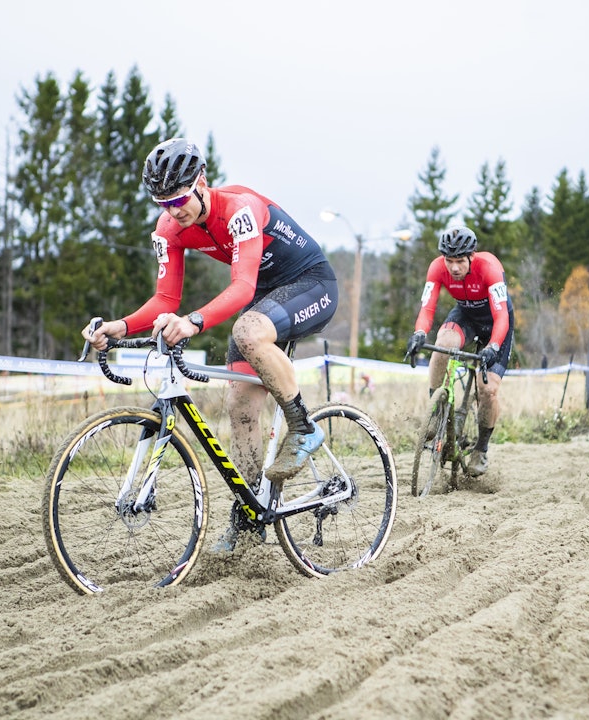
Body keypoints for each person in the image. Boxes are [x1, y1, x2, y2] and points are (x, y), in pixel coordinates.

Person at [82, 138, 339, 551]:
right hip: (264, 297)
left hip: (310, 283)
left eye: (180, 198)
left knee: (247, 330)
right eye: (162, 203)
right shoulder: (169, 229)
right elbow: (165, 300)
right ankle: (250, 515)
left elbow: (241, 286)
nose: (173, 210)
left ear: (202, 182)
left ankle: (304, 426)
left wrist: (193, 322)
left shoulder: (239, 210)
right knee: (239, 405)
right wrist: (120, 327)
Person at [403, 226, 514, 477]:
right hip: (466, 315)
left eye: (460, 261)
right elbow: (427, 308)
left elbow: (501, 317)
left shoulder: (490, 268)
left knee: (487, 389)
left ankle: (481, 449)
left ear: (472, 256)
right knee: (442, 344)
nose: (454, 268)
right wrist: (419, 333)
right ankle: (436, 411)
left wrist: (493, 346)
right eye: (449, 261)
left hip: (497, 323)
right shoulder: (437, 268)